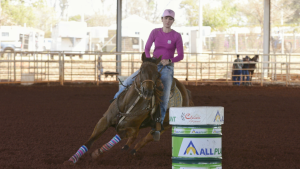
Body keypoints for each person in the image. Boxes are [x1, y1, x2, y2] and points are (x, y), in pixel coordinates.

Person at [112, 9, 184, 134]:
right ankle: (114, 102)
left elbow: (181, 55)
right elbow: (147, 48)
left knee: (165, 94)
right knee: (128, 80)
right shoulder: (155, 32)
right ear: (162, 19)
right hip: (152, 64)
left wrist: (169, 60)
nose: (168, 21)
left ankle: (158, 123)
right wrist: (148, 60)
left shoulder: (176, 36)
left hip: (167, 68)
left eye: (170, 19)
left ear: (173, 21)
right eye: (166, 18)